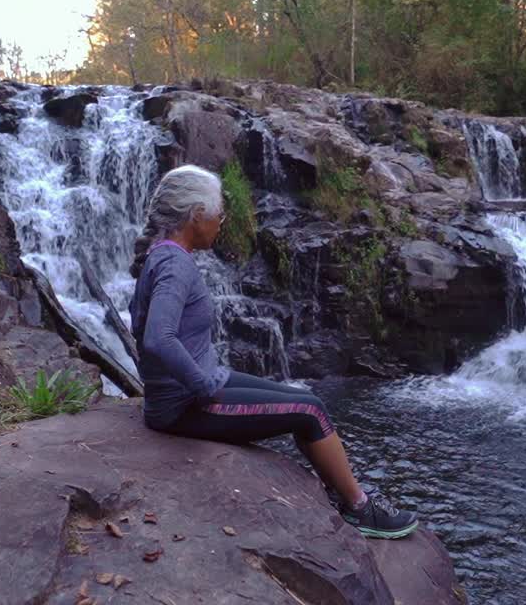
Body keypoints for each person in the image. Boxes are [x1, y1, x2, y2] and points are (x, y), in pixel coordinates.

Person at [128, 164, 418, 539]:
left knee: (308, 399)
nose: (222, 220)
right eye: (219, 213)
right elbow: (158, 337)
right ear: (196, 216)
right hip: (182, 405)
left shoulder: (162, 254)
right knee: (310, 412)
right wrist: (201, 387)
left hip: (192, 387)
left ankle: (342, 491)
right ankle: (361, 509)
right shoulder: (175, 265)